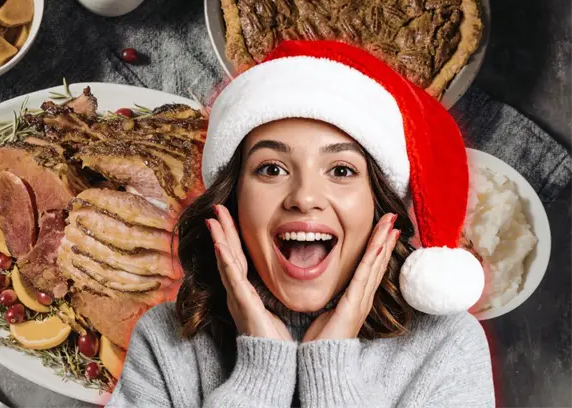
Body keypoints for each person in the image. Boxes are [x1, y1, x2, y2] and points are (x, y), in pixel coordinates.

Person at [105, 40, 495, 407]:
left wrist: (332, 373)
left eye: (341, 170)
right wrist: (259, 378)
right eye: (271, 169)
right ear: (232, 198)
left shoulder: (448, 347)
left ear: (378, 205)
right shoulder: (165, 340)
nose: (304, 197)